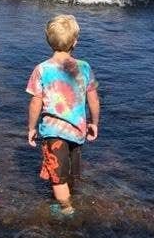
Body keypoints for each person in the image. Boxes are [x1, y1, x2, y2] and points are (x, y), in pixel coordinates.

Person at [26, 14, 100, 219]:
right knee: (68, 171)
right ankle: (69, 199)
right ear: (75, 42)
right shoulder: (84, 67)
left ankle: (67, 211)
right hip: (77, 130)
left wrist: (32, 128)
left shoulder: (41, 69)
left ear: (48, 41)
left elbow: (35, 102)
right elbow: (93, 99)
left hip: (53, 131)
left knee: (57, 178)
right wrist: (94, 123)